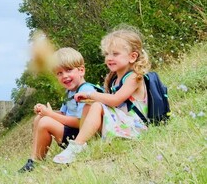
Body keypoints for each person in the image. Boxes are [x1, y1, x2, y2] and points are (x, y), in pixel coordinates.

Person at [53, 27, 151, 164]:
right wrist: (90, 99)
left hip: (136, 125)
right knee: (90, 104)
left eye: (115, 54)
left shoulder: (134, 77)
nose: (109, 58)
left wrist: (91, 94)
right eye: (107, 54)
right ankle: (85, 141)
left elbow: (116, 101)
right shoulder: (114, 78)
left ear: (132, 57)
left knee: (96, 104)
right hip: (122, 122)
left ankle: (76, 146)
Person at [19, 47, 100, 172]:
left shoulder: (85, 90)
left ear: (81, 70)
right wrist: (45, 111)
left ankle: (36, 161)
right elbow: (63, 114)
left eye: (68, 70)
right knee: (39, 118)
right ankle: (33, 159)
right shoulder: (69, 92)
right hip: (72, 132)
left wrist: (50, 115)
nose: (64, 76)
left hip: (83, 138)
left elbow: (81, 122)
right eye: (59, 73)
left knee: (45, 122)